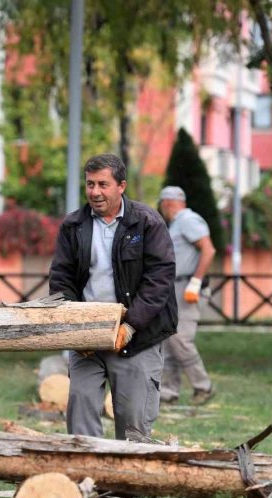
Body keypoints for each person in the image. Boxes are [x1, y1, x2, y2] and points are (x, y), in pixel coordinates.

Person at [49, 153, 177, 440]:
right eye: (90, 184)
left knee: (133, 426)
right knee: (80, 412)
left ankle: (125, 485)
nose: (95, 192)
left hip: (138, 335)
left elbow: (160, 280)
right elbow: (61, 280)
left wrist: (130, 325)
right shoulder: (73, 225)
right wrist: (74, 333)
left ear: (121, 186)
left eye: (103, 184)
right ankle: (87, 480)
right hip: (88, 337)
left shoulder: (147, 222)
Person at [157, 185, 216, 405]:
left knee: (181, 339)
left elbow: (208, 250)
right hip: (174, 287)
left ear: (166, 203)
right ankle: (168, 392)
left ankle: (204, 386)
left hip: (187, 287)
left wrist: (196, 281)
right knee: (169, 339)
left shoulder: (188, 220)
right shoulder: (178, 224)